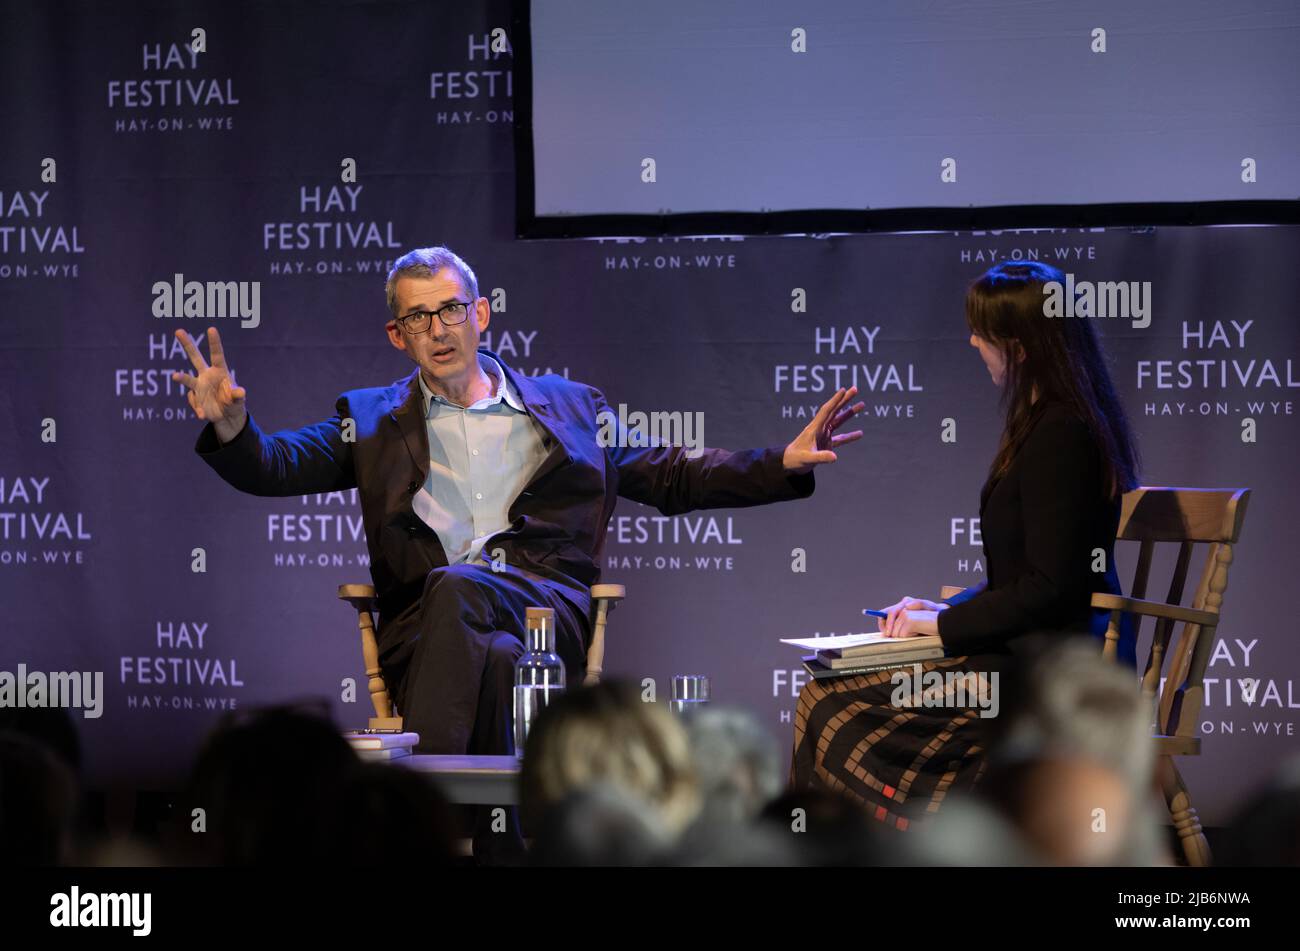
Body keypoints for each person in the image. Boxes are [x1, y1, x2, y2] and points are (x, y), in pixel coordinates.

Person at [173, 246, 864, 862]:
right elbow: (276, 465)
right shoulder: (371, 419)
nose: (438, 329)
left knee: (469, 594)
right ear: (397, 335)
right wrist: (233, 425)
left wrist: (781, 463)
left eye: (449, 309)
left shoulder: (568, 406)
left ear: (481, 313)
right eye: (418, 318)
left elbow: (671, 473)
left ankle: (416, 835)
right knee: (494, 652)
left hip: (545, 606)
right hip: (427, 636)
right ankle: (515, 850)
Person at [791, 259, 1141, 831]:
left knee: (828, 703)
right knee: (824, 691)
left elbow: (1055, 588)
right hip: (1022, 655)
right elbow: (1027, 574)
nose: (971, 341)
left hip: (1048, 673)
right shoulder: (1045, 423)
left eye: (982, 331)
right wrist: (945, 609)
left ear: (1020, 346)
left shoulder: (1064, 433)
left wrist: (946, 628)